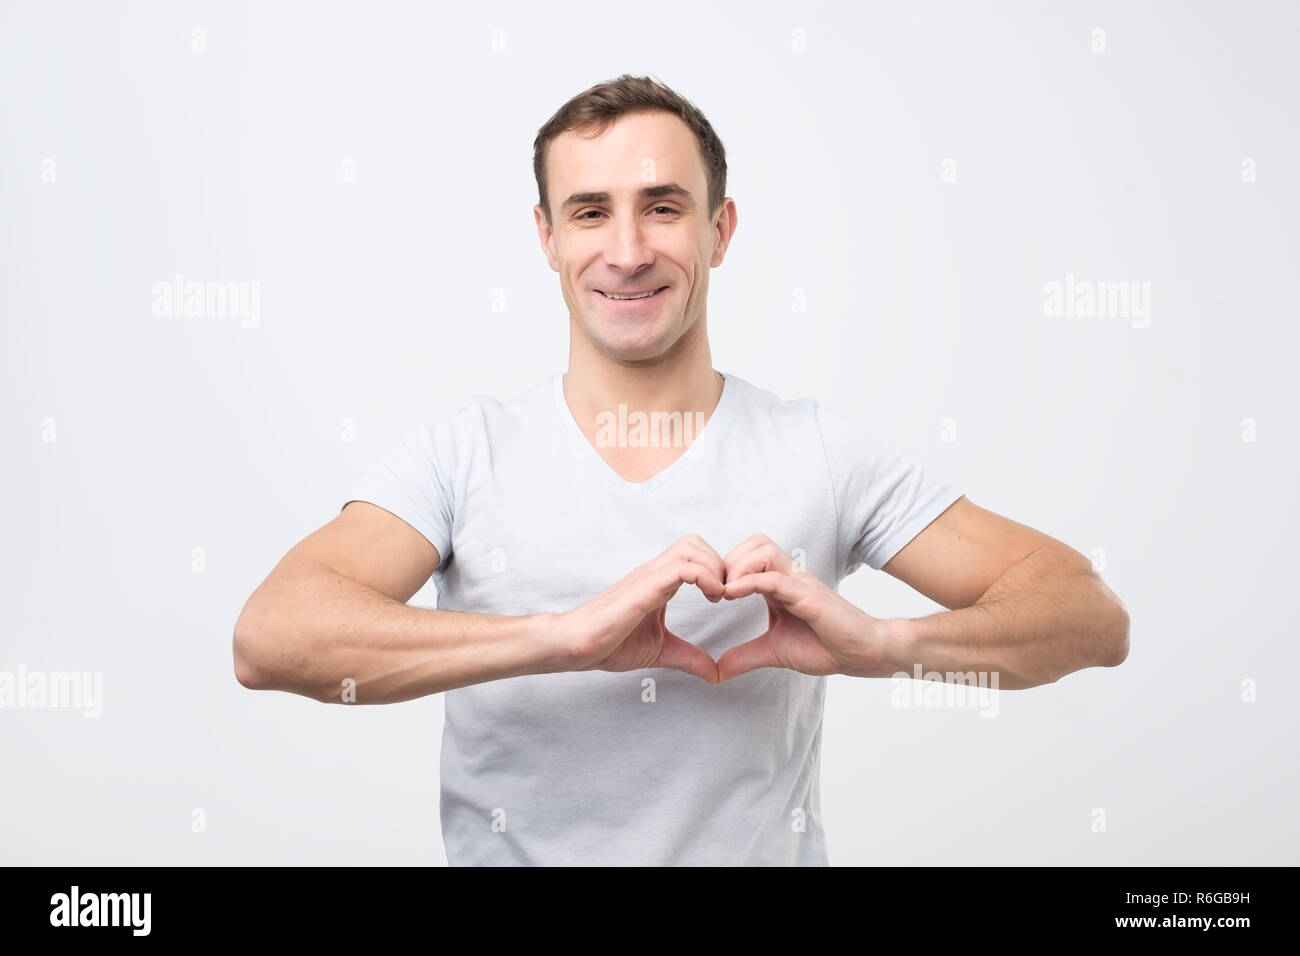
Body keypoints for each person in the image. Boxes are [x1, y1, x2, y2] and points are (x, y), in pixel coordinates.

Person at [232, 74, 1130, 866]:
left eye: (663, 207)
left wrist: (886, 647)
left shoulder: (816, 452)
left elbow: (1089, 616)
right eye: (590, 212)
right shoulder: (463, 454)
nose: (627, 251)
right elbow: (271, 639)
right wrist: (565, 639)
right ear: (547, 238)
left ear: (720, 229)